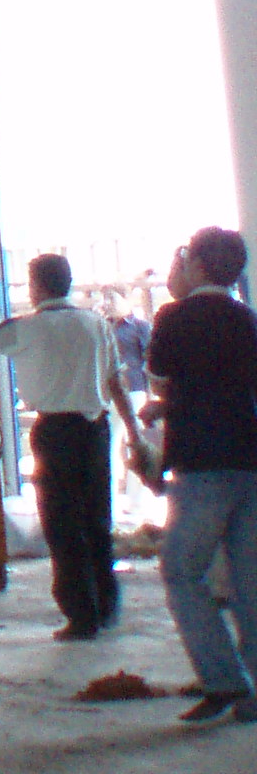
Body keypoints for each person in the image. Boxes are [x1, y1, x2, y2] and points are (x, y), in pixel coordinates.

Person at [0, 255, 136, 637]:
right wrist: (134, 433)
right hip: (95, 430)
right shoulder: (97, 324)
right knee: (97, 519)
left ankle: (81, 616)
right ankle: (106, 606)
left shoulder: (25, 328)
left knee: (62, 525)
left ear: (37, 286)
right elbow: (117, 383)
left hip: (55, 434)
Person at [137, 226, 257, 725]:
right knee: (250, 585)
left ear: (198, 265)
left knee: (182, 572)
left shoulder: (174, 317)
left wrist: (166, 405)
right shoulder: (248, 319)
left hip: (201, 464)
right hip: (250, 459)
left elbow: (162, 380)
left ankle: (223, 679)